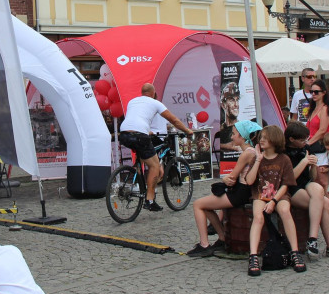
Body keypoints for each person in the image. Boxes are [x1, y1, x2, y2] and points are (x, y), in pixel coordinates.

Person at [186, 120, 261, 257]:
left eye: (234, 134)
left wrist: (225, 179)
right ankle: (222, 238)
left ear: (242, 136)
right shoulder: (249, 150)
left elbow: (232, 178)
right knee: (206, 207)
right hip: (242, 190)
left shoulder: (247, 153)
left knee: (198, 204)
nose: (232, 137)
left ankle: (204, 244)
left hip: (240, 192)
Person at [117, 82, 193, 212]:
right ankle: (149, 200)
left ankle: (139, 182)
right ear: (153, 93)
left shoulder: (132, 101)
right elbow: (174, 120)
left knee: (142, 157)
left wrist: (147, 131)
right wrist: (187, 131)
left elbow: (137, 119)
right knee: (155, 166)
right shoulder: (155, 103)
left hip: (124, 134)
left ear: (142, 93)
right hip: (140, 135)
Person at [283, 122, 329, 260]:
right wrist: (304, 162)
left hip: (306, 184)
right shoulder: (284, 153)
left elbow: (312, 177)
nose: (305, 142)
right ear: (291, 139)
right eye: (302, 140)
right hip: (291, 188)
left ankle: (313, 238)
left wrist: (313, 165)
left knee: (318, 189)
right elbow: (290, 178)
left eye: (306, 139)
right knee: (325, 203)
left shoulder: (306, 148)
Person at [247, 125, 305, 276]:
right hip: (260, 194)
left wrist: (274, 201)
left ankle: (295, 251)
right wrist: (258, 160)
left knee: (285, 211)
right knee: (258, 216)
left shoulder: (284, 159)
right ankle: (253, 256)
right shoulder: (257, 158)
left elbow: (286, 184)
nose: (262, 140)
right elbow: (249, 180)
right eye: (261, 137)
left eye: (266, 137)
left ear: (275, 139)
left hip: (279, 194)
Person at [304, 78, 329, 190]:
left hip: (321, 146)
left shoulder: (325, 109)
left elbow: (322, 130)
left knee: (323, 180)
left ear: (324, 93)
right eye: (312, 92)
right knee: (315, 178)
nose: (313, 94)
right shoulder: (313, 108)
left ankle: (327, 205)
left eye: (316, 92)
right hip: (313, 146)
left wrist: (308, 143)